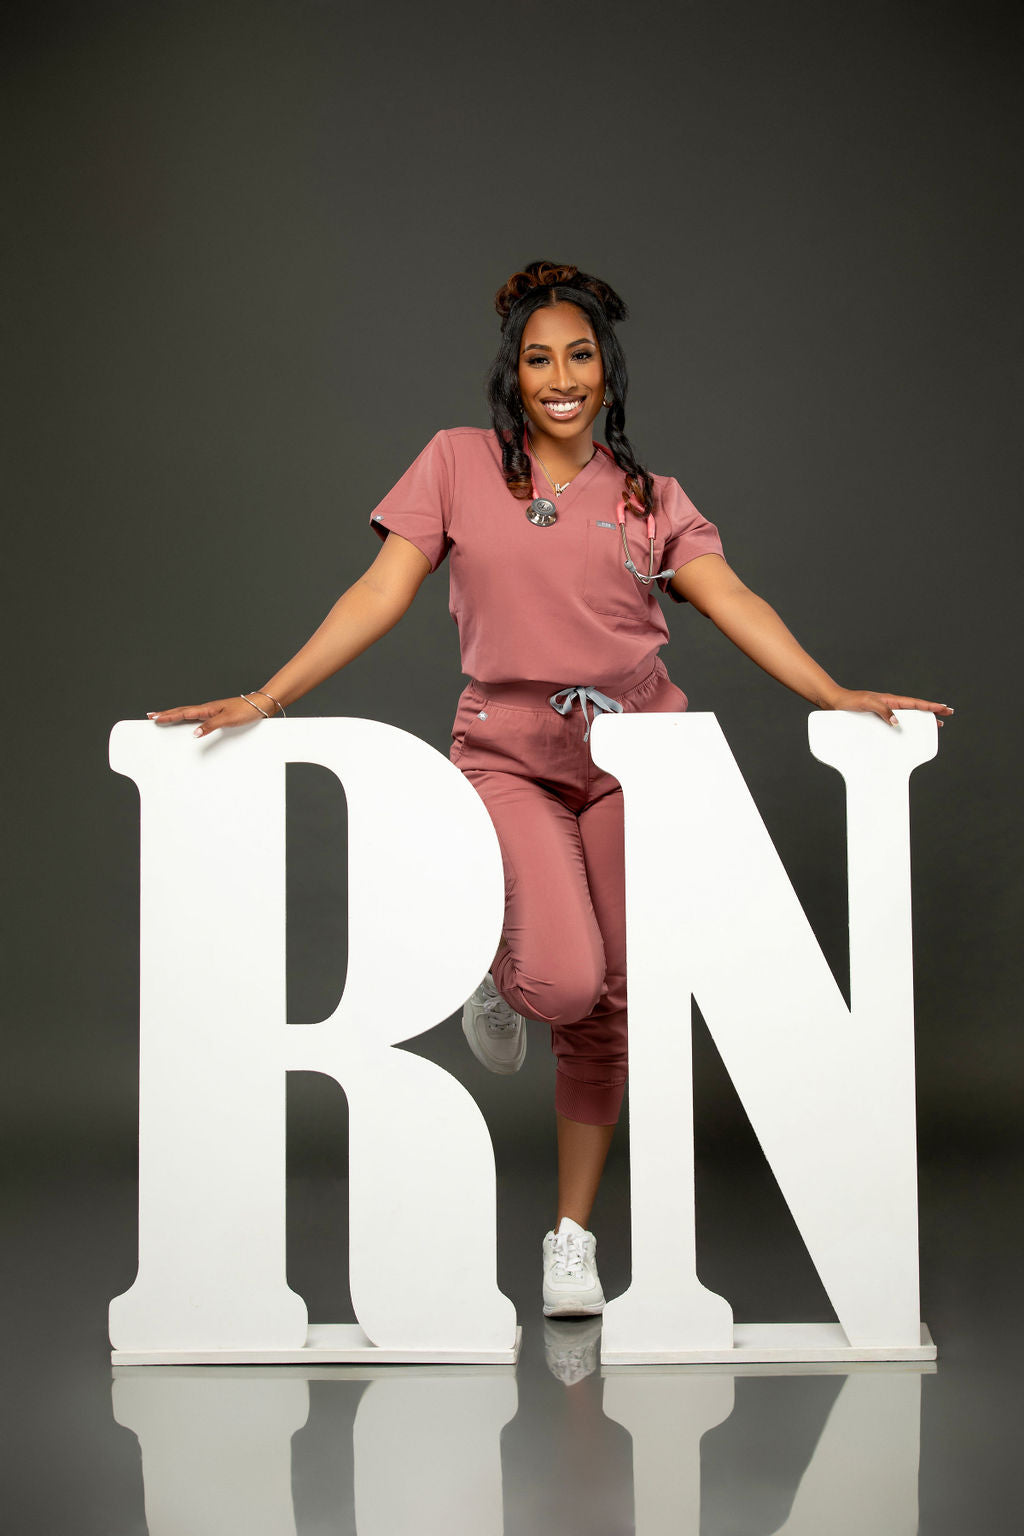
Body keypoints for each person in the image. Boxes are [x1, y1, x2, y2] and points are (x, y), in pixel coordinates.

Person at [149, 260, 952, 1321]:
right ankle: (499, 955)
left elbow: (733, 599)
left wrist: (833, 691)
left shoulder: (649, 501)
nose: (559, 377)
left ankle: (570, 1239)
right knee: (562, 984)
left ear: (606, 374)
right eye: (538, 359)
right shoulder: (455, 465)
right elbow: (379, 591)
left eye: (578, 357)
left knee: (615, 1003)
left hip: (635, 761)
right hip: (510, 754)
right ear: (512, 375)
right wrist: (269, 693)